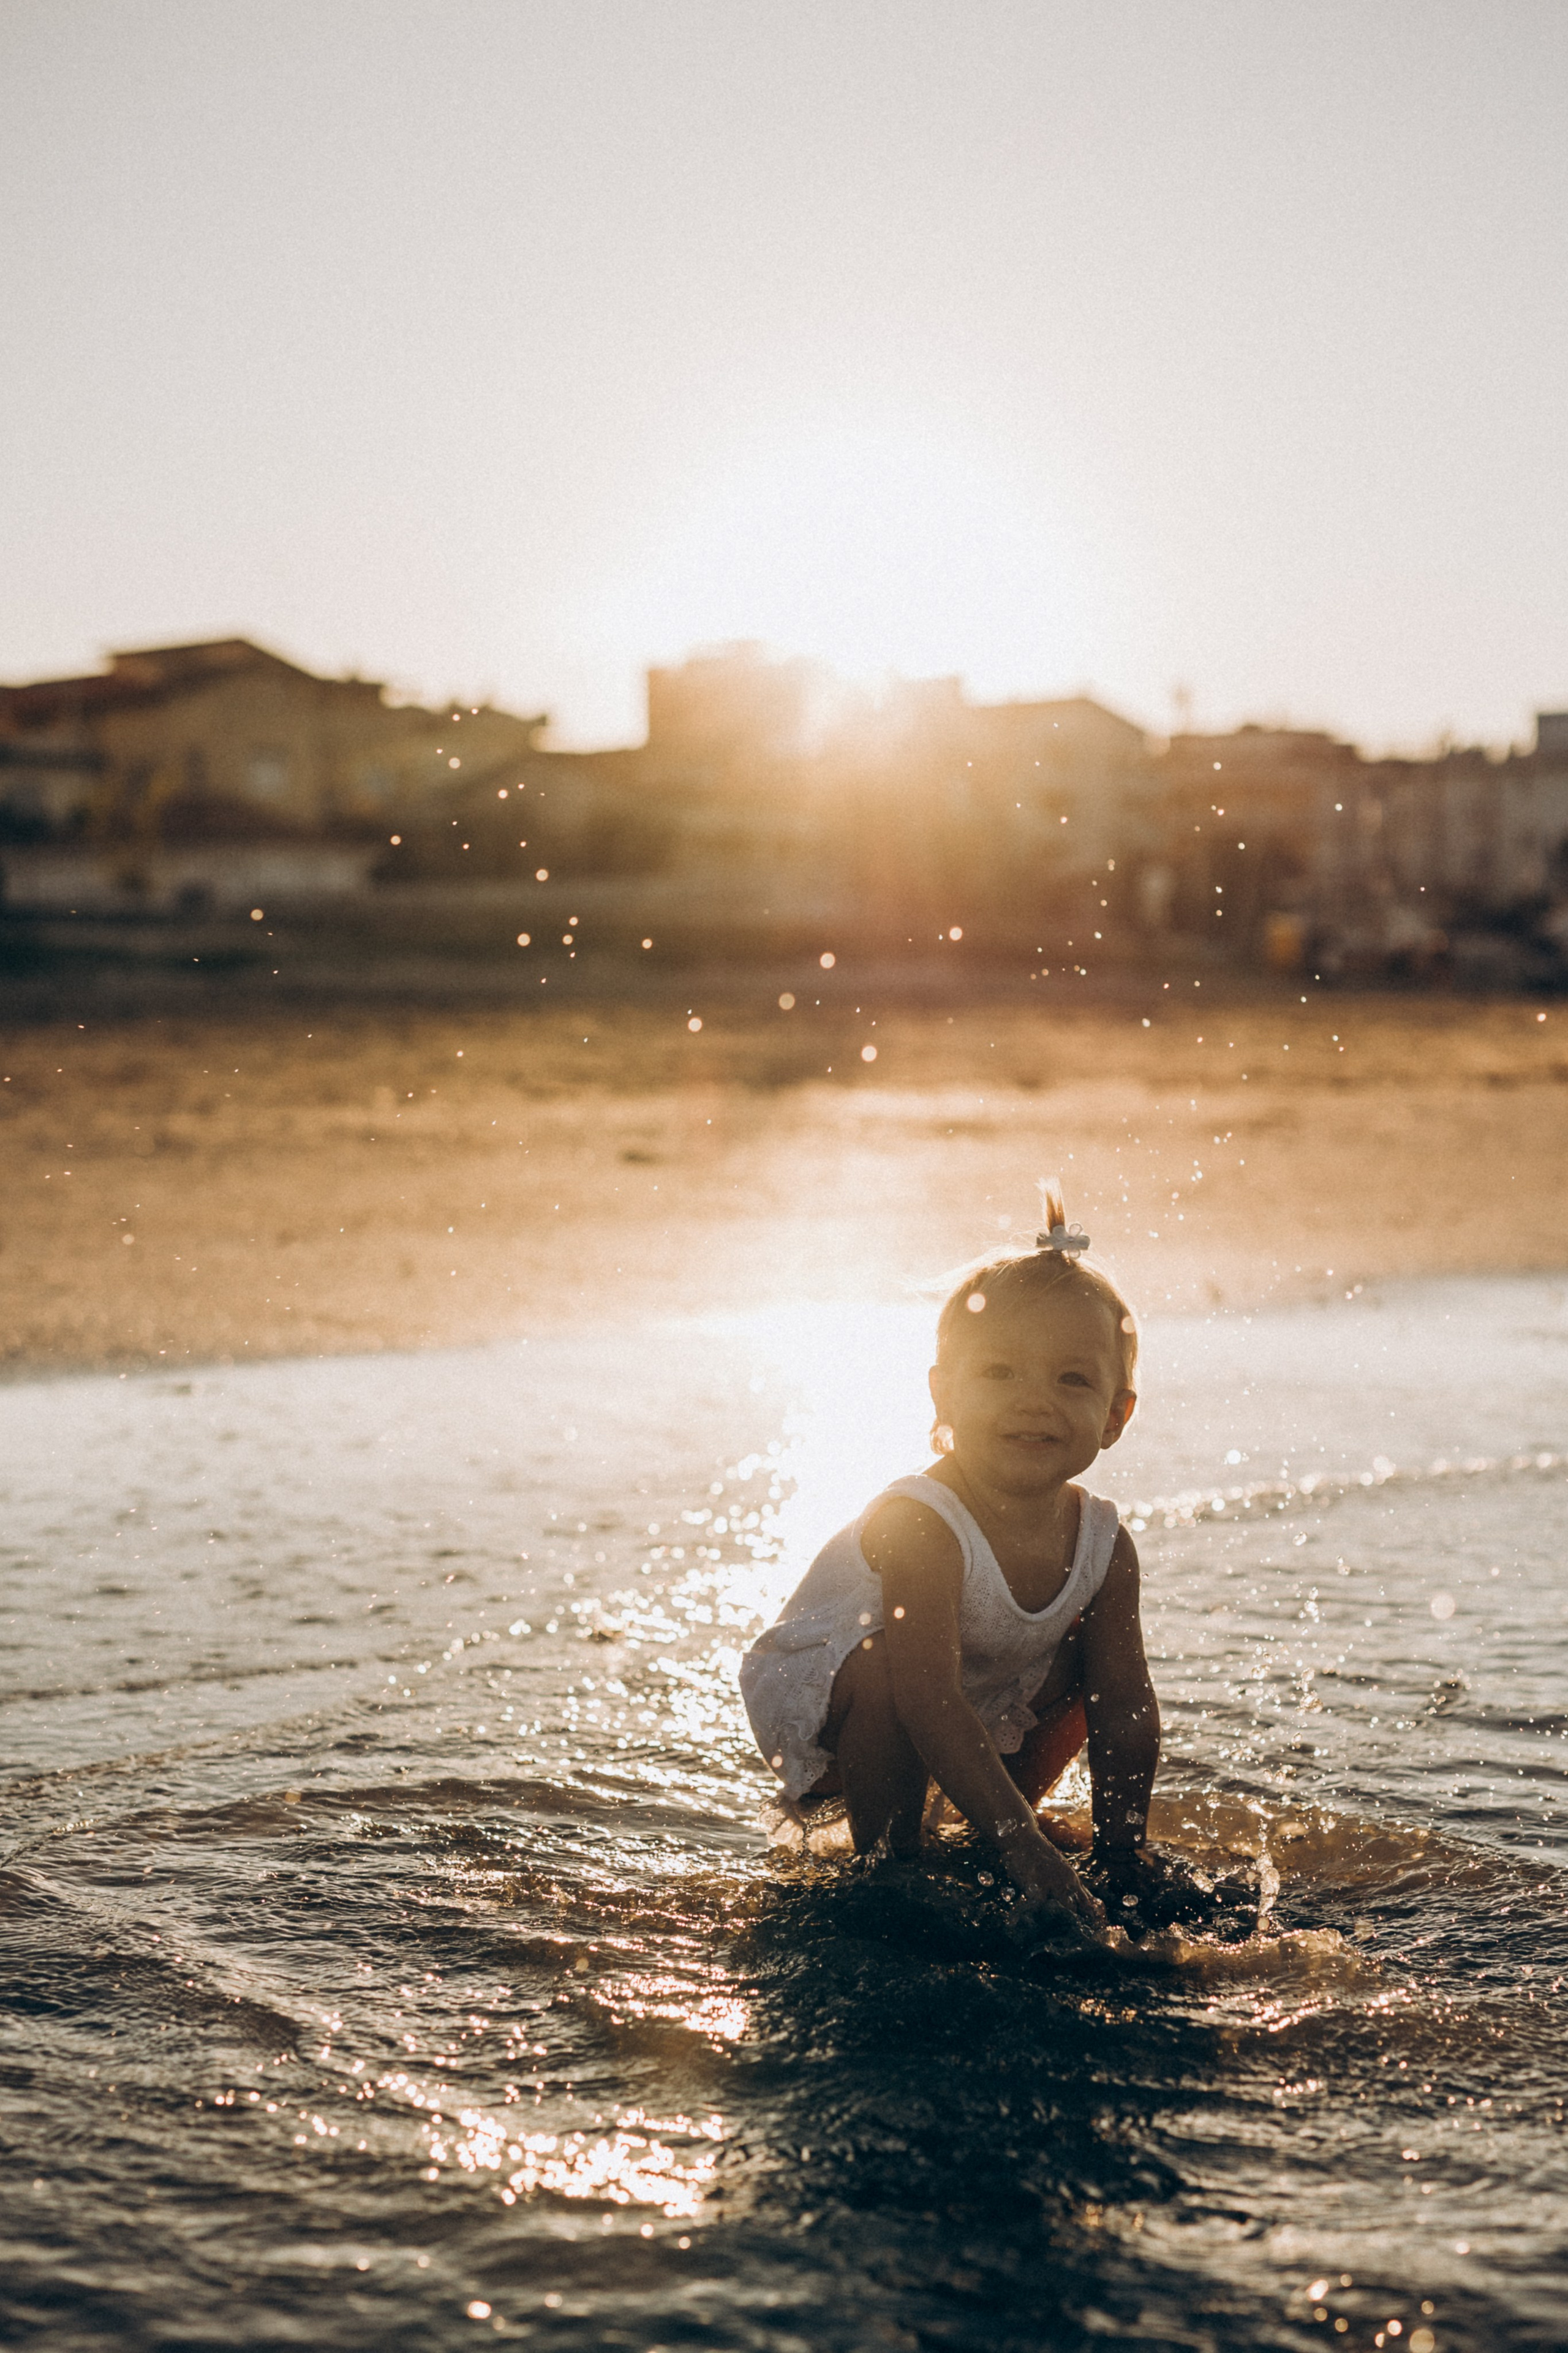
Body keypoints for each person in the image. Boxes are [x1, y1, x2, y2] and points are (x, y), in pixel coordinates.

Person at [740, 1190, 1171, 1932]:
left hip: (972, 1685)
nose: (1033, 1401)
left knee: (1100, 1673)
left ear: (1114, 1415)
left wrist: (1123, 1852)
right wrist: (1023, 1844)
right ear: (943, 1395)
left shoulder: (1104, 1545)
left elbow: (1127, 1707)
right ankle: (894, 1863)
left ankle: (992, 1827)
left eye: (1071, 1379)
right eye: (999, 1372)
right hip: (841, 1700)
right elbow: (926, 1696)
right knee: (885, 1669)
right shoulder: (923, 1523)